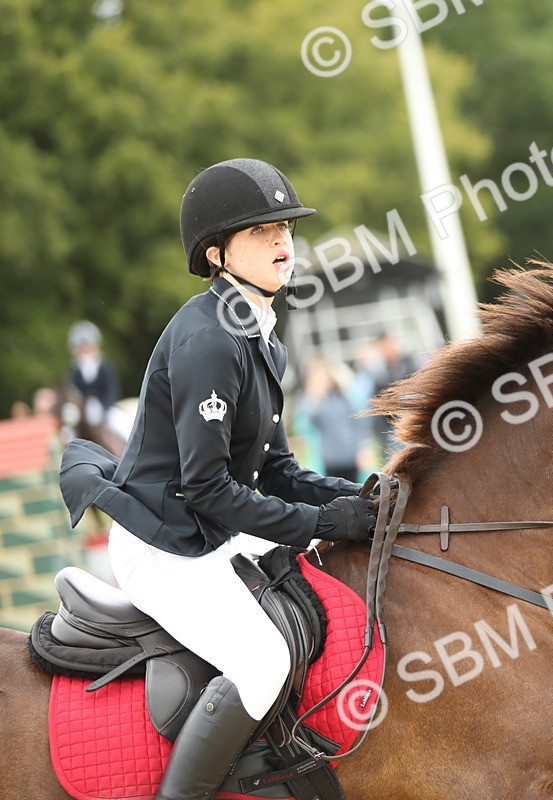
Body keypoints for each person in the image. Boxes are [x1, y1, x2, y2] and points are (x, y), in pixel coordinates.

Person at [58, 158, 378, 800]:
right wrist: (320, 523)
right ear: (217, 253)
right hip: (166, 543)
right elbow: (208, 490)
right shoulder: (209, 340)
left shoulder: (258, 334)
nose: (283, 240)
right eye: (261, 231)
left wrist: (360, 494)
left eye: (284, 226)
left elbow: (278, 471)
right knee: (264, 661)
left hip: (206, 529)